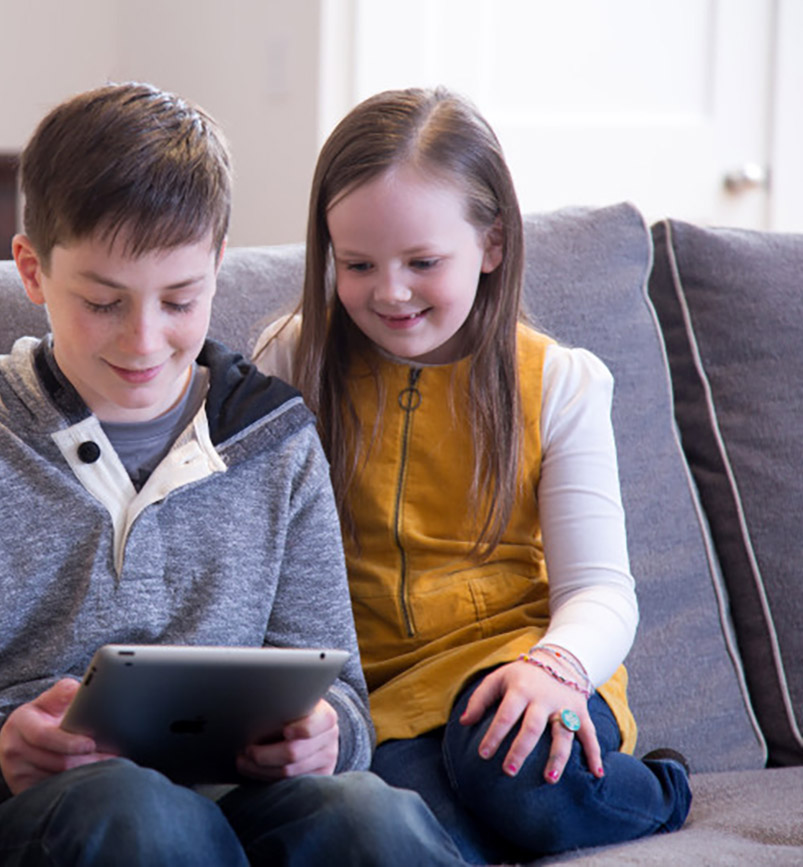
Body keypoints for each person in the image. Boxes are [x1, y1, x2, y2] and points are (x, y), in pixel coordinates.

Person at [0, 82, 464, 867]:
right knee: (142, 817)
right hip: (49, 820)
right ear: (31, 270)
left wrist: (326, 735)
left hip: (240, 809)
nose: (145, 340)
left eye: (179, 300)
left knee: (370, 816)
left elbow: (341, 697)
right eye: (103, 302)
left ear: (217, 265)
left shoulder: (277, 443)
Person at [254, 86, 692, 864]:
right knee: (395, 828)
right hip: (385, 704)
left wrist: (555, 667)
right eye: (356, 264)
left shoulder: (558, 381)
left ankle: (660, 790)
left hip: (525, 664)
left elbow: (600, 588)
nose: (389, 291)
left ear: (491, 244)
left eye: (422, 262)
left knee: (510, 764)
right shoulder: (291, 360)